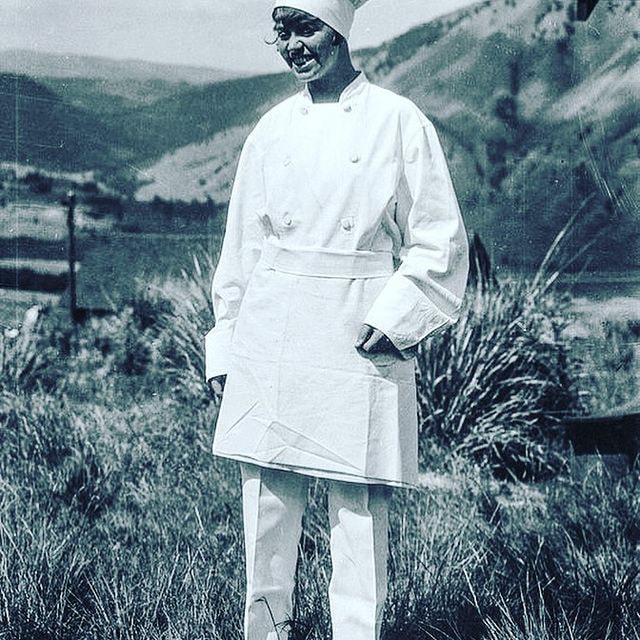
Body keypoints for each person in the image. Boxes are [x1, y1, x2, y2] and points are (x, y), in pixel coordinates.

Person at [204, 1, 469, 638]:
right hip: (273, 331)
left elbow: (439, 240)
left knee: (359, 512)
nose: (293, 45)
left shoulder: (398, 122)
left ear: (340, 31)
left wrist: (396, 317)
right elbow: (243, 249)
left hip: (358, 335)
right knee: (266, 506)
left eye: (306, 29)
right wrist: (226, 344)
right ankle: (265, 630)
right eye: (282, 31)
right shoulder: (270, 130)